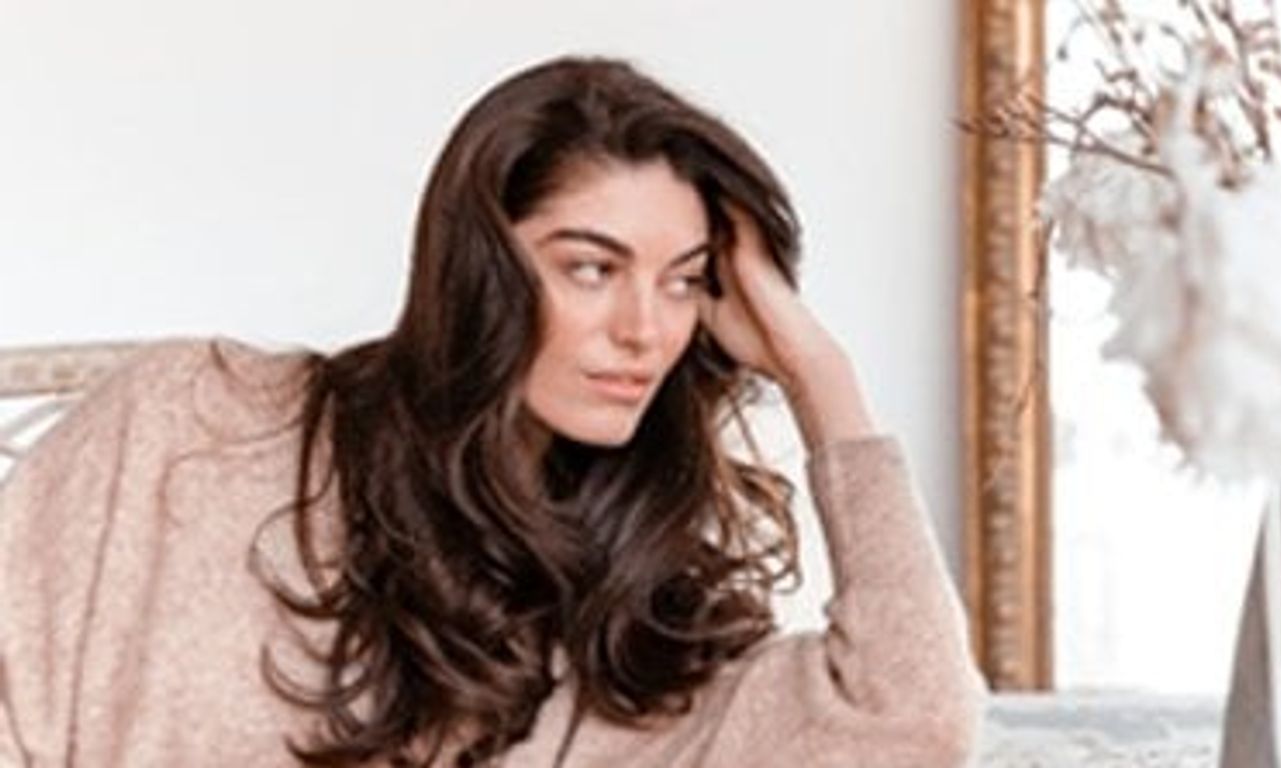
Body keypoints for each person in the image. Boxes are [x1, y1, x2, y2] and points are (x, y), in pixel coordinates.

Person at [0, 55, 984, 767]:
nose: (644, 330)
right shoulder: (194, 423)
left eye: (684, 281)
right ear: (476, 267)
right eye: (591, 268)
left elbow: (915, 724)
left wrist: (821, 379)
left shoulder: (639, 639)